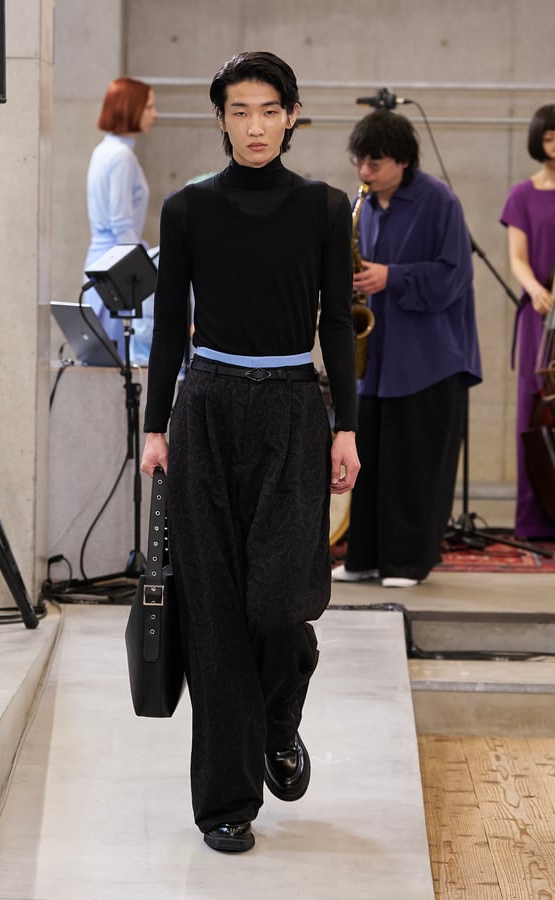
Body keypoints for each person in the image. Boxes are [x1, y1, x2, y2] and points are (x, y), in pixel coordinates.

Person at [140, 51, 360, 853]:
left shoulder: (324, 208)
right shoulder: (188, 209)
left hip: (293, 408)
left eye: (269, 109)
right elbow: (170, 324)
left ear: (292, 115)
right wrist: (156, 427)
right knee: (215, 614)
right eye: (240, 110)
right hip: (206, 406)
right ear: (222, 119)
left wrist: (346, 427)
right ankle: (226, 803)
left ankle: (278, 717)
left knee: (278, 603)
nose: (255, 125)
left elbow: (337, 323)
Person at [332, 110, 482, 588]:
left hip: (429, 358)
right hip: (377, 359)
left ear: (401, 160)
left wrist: (392, 277)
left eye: (374, 164)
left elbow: (455, 275)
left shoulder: (440, 201)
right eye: (359, 162)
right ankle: (365, 558)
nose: (364, 172)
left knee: (416, 466)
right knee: (372, 461)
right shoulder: (364, 204)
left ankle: (407, 563)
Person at [500, 104, 555, 540]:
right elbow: (517, 257)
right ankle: (535, 518)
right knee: (534, 413)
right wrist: (536, 289)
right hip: (539, 317)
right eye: (550, 136)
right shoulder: (521, 194)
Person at [83, 76, 157, 356]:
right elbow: (121, 221)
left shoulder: (103, 150)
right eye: (148, 107)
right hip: (117, 265)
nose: (154, 114)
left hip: (102, 258)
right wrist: (139, 270)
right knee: (119, 356)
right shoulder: (122, 156)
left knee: (102, 356)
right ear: (130, 108)